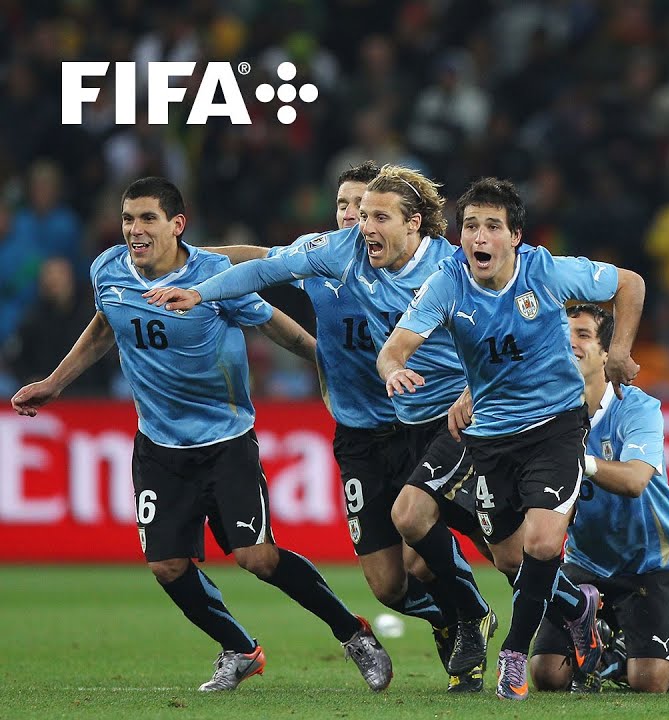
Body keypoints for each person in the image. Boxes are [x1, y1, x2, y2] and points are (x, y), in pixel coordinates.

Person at [10, 177, 393, 692]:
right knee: (167, 566)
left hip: (226, 440)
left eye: (147, 219)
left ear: (176, 225)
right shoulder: (107, 269)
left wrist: (329, 362)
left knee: (256, 557)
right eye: (128, 219)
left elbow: (272, 321)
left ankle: (353, 633)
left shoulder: (212, 275)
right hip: (159, 445)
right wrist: (55, 383)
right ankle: (239, 650)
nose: (134, 230)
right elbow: (105, 324)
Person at [142, 165, 497, 688]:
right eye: (344, 208)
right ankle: (453, 619)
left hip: (419, 424)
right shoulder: (331, 255)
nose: (353, 220)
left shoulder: (424, 269)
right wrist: (198, 273)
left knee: (450, 541)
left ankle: (495, 613)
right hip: (357, 434)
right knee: (388, 586)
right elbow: (264, 262)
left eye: (367, 210)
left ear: (401, 219)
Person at [378, 176, 645, 700]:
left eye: (491, 227)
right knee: (508, 559)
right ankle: (579, 607)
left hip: (556, 427)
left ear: (514, 236)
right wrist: (393, 370)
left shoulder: (546, 271)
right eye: (470, 226)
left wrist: (620, 351)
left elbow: (629, 283)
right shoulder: (448, 282)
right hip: (489, 436)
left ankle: (514, 654)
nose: (479, 236)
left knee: (543, 542)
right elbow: (396, 347)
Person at [525, 304, 669, 694]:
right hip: (586, 565)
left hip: (654, 564)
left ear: (608, 354)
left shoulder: (637, 408)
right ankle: (604, 640)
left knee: (649, 681)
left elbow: (637, 479)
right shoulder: (542, 412)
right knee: (545, 674)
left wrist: (580, 463)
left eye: (584, 336)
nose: (571, 344)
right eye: (565, 336)